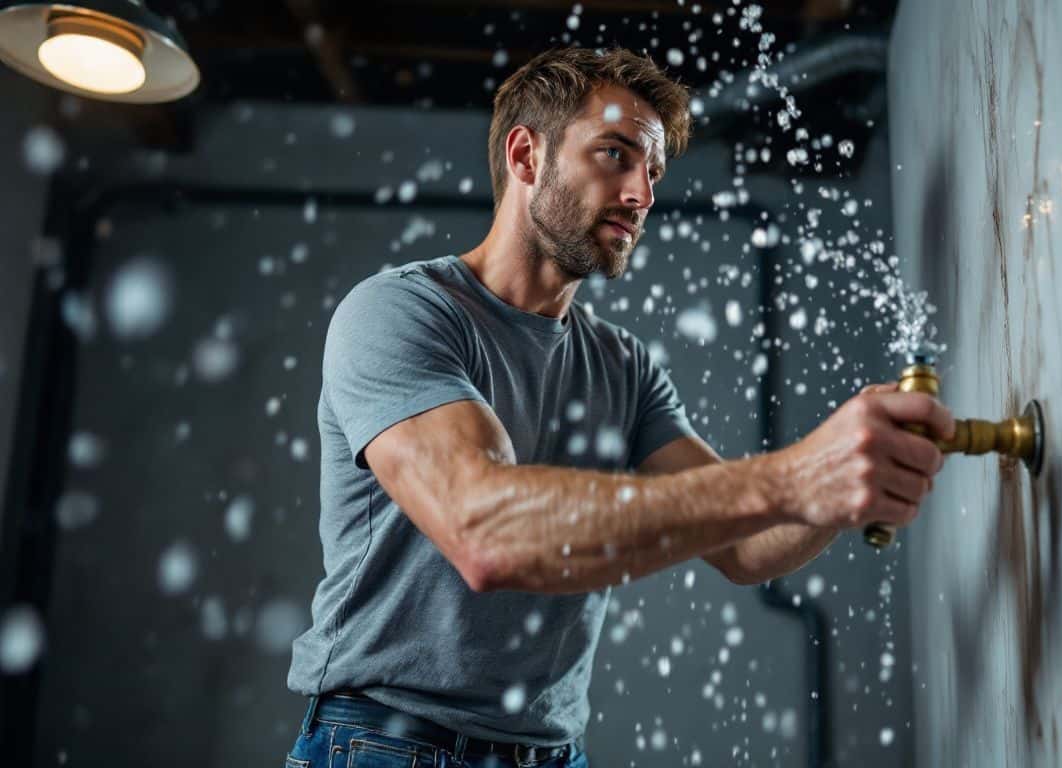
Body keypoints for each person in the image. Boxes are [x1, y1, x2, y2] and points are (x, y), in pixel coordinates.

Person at [284, 46, 954, 768]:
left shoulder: (622, 366)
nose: (643, 194)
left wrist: (853, 470)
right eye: (615, 154)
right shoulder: (400, 314)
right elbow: (485, 532)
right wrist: (797, 477)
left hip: (549, 753)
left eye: (654, 171)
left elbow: (745, 546)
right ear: (525, 154)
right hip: (386, 741)